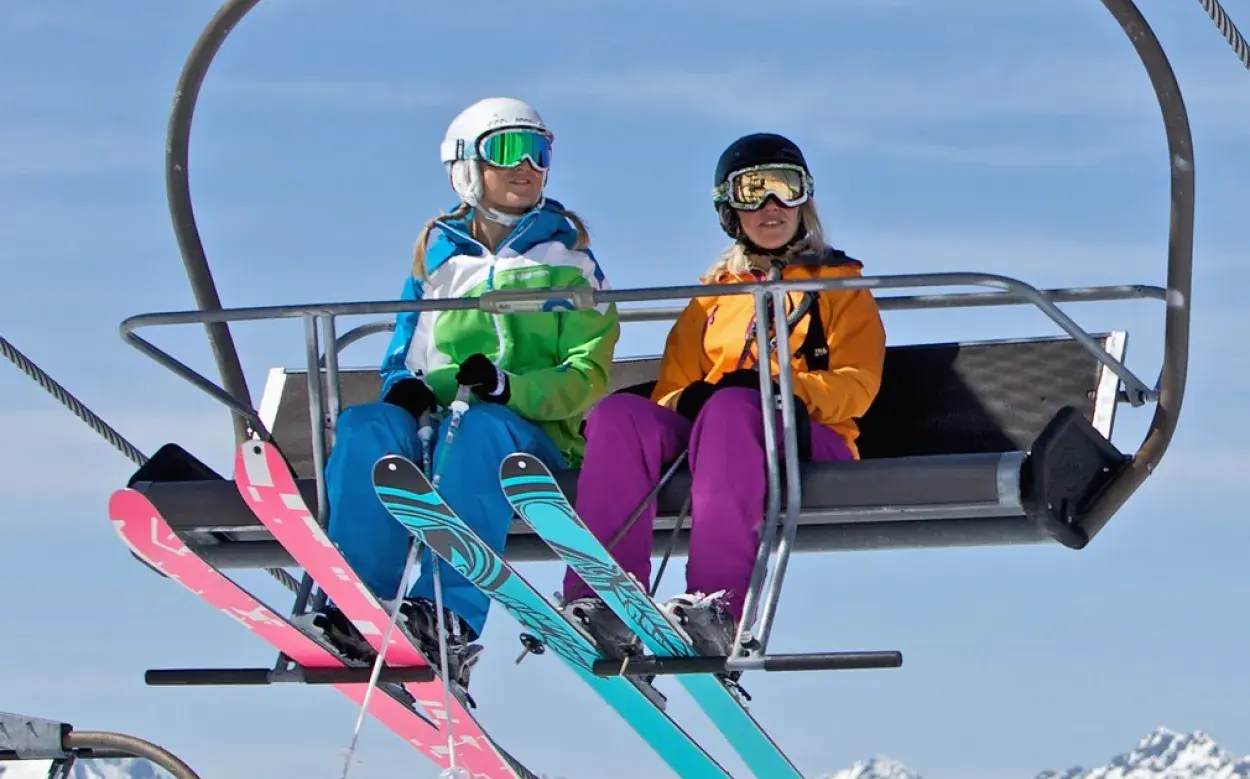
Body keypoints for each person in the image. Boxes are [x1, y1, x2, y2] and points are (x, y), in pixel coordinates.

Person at [314, 97, 620, 690]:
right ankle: (359, 604)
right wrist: (407, 392)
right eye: (507, 150)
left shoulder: (569, 262)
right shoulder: (439, 259)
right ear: (464, 167)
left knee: (482, 431)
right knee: (367, 425)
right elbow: (404, 356)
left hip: (533, 438)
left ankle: (446, 615)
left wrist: (509, 388)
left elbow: (587, 377)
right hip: (444, 422)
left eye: (539, 152)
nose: (526, 166)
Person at [560, 132, 886, 665]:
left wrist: (779, 391)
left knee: (733, 409)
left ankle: (716, 605)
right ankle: (603, 600)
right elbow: (671, 389)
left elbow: (858, 387)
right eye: (753, 191)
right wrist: (688, 402)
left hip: (808, 441)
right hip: (716, 436)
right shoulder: (714, 295)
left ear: (805, 199)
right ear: (730, 210)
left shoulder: (838, 287)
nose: (772, 206)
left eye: (785, 188)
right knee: (619, 415)